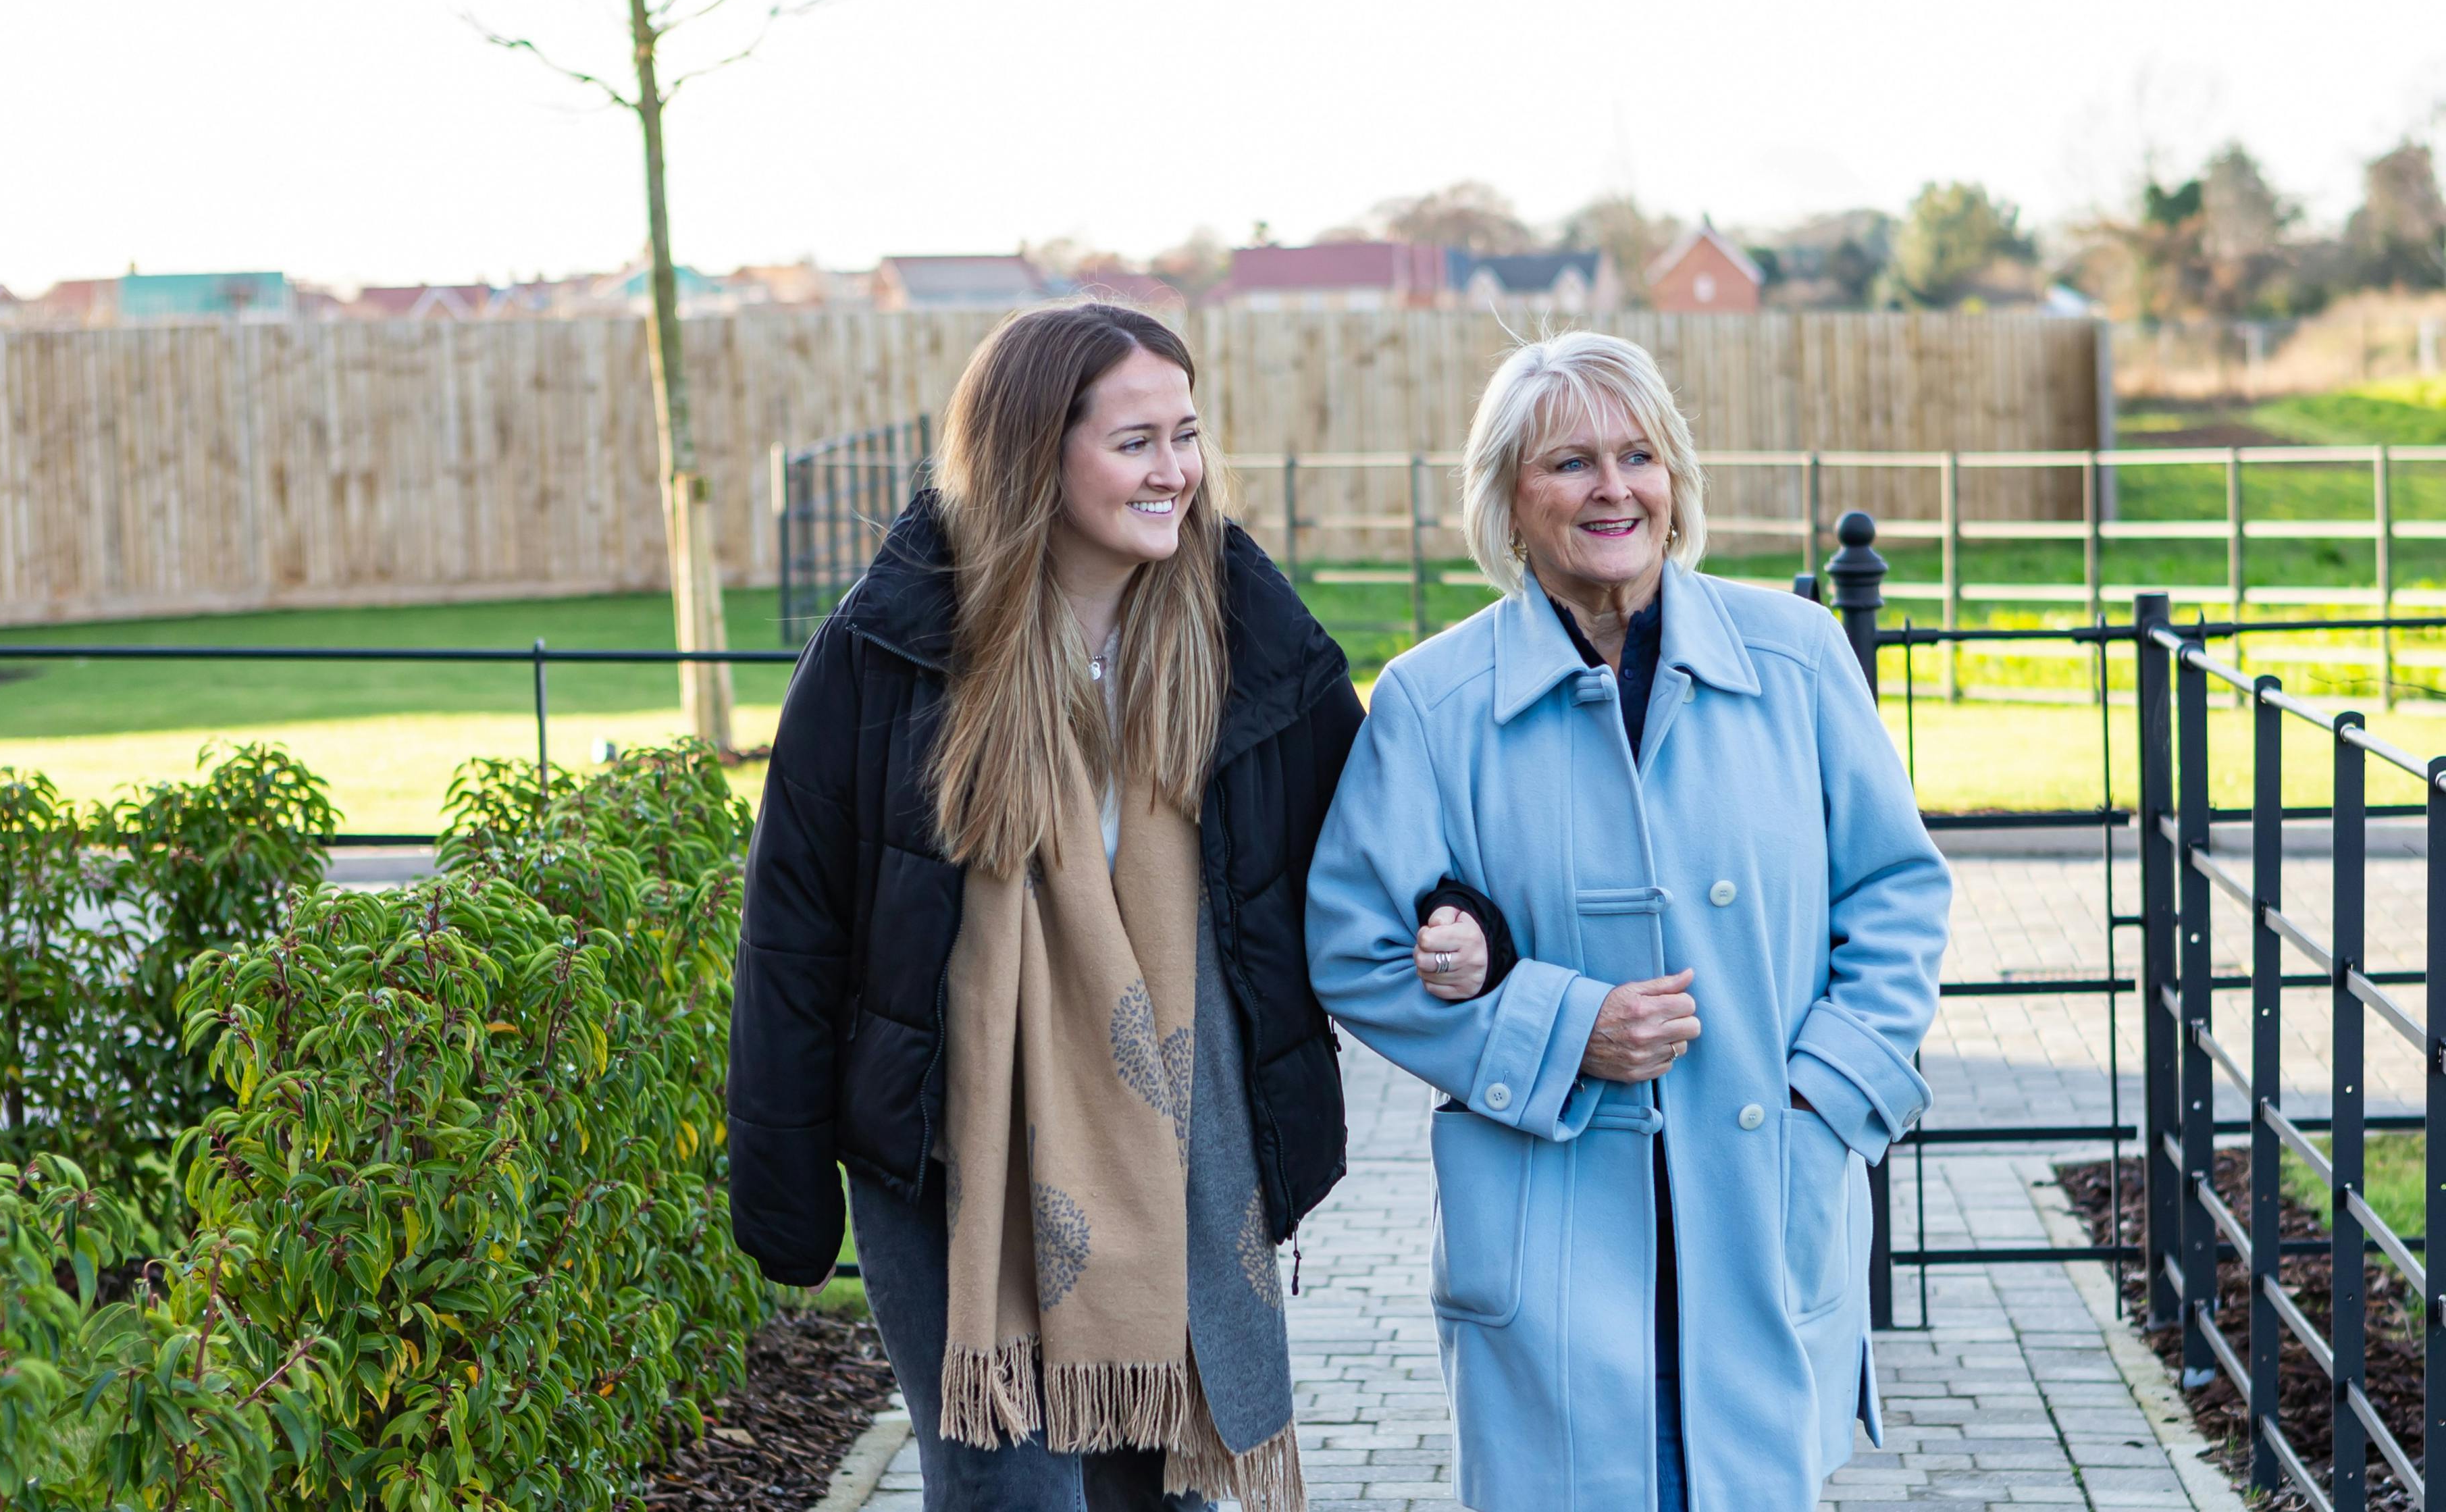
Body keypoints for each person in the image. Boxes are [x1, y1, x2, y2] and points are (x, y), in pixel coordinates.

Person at [730, 301, 1364, 1512]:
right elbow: (794, 937)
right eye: (1136, 441)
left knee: (1161, 1490)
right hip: (944, 1151)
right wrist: (784, 1187)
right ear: (1033, 449)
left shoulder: (1246, 639)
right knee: (1003, 1489)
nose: (1175, 471)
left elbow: (1376, 841)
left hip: (1184, 1135)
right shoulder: (887, 655)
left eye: (1187, 434)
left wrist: (1460, 920)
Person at [1304, 329, 1951, 1512]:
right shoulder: (1432, 705)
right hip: (1547, 1230)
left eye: (1639, 455)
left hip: (1763, 1194)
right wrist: (1564, 1029)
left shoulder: (1797, 657)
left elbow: (1898, 891)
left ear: (1676, 481)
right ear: (1507, 500)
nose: (1614, 488)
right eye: (1570, 463)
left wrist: (1826, 1102)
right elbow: (1352, 943)